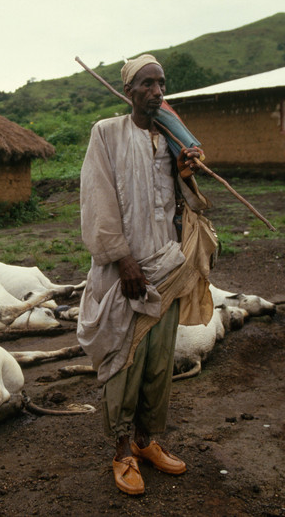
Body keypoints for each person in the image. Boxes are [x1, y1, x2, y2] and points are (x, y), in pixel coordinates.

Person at [77, 54, 216, 495]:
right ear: (128, 91)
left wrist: (186, 171)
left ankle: (145, 441)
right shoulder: (108, 133)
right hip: (126, 272)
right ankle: (121, 452)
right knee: (125, 361)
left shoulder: (170, 139)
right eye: (148, 84)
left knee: (158, 362)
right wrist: (123, 259)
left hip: (167, 265)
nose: (157, 92)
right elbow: (98, 201)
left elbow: (184, 204)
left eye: (161, 84)